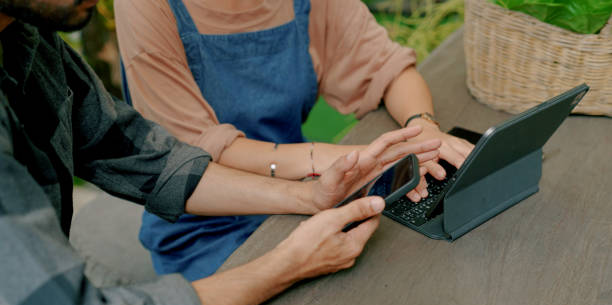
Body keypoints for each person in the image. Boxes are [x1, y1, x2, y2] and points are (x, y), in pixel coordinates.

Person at [0, 0, 442, 305]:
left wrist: (309, 196)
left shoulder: (30, 41)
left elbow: (145, 155)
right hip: (194, 239)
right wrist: (286, 264)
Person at [114, 0, 476, 280]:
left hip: (308, 194)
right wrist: (342, 158)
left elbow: (386, 66)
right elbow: (189, 150)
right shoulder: (147, 6)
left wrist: (423, 130)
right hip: (205, 221)